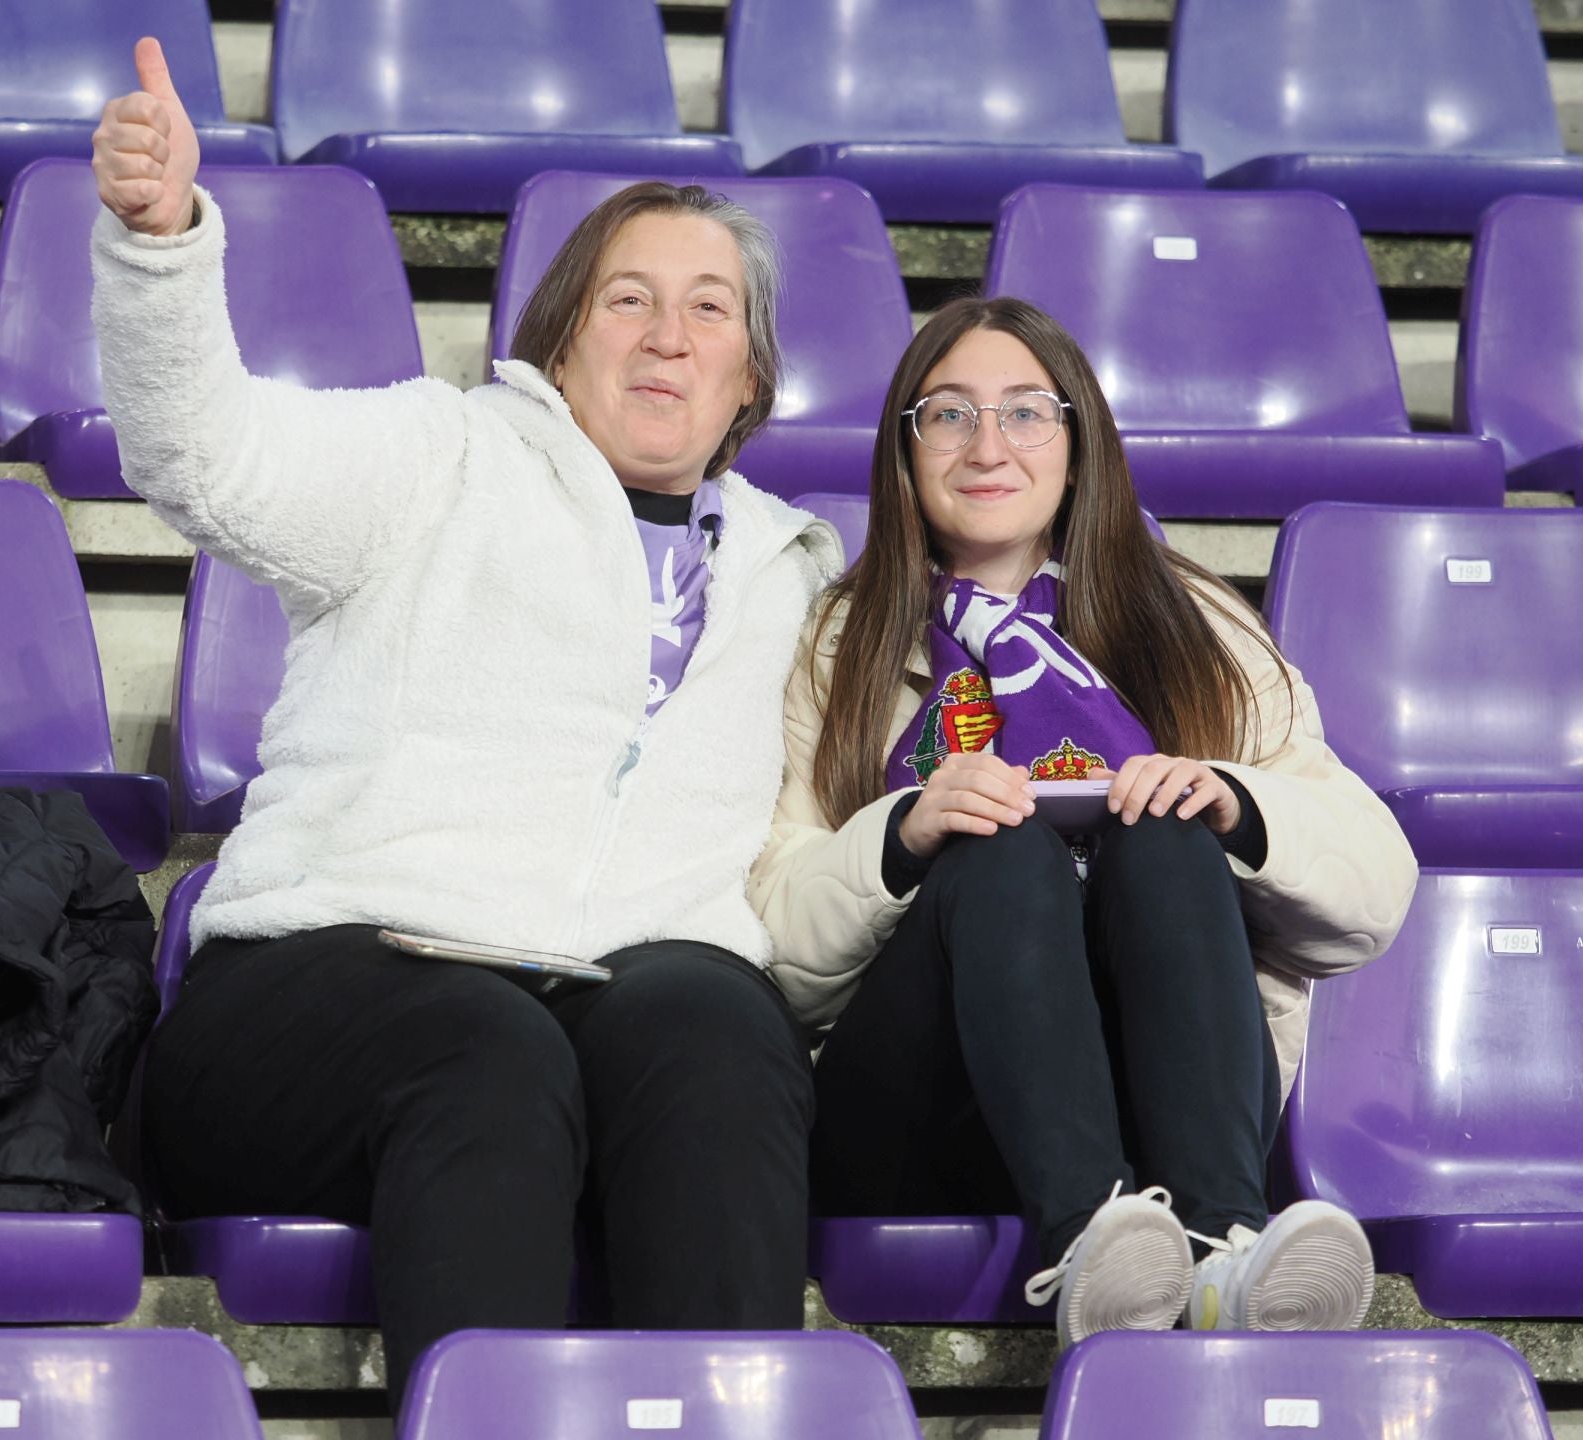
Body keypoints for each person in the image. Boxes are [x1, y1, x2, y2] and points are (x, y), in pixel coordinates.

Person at [90, 39, 840, 1408]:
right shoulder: (436, 457)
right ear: (562, 336)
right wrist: (161, 248)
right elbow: (204, 453)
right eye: (630, 298)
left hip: (612, 1006)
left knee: (721, 1030)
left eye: (711, 311)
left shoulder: (801, 577)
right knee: (489, 1049)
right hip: (316, 999)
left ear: (752, 381)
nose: (670, 335)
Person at [748, 296, 1419, 1346]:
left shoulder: (1190, 621)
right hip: (925, 1103)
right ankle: (1092, 1241)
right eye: (948, 414)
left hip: (1170, 1092)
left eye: (1026, 412)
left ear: (1078, 441)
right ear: (905, 447)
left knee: (1166, 823)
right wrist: (902, 832)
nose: (987, 445)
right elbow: (773, 940)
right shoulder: (840, 640)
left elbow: (1376, 890)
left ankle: (1218, 1248)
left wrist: (1234, 803)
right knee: (997, 840)